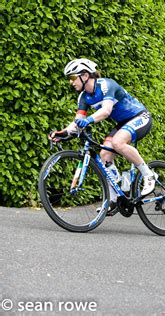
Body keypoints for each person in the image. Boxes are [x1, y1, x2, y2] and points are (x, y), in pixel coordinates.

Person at [49, 58, 156, 213]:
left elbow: (106, 111)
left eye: (72, 78)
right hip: (123, 123)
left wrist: (89, 120)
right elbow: (77, 122)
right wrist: (64, 132)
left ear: (85, 76)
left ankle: (149, 175)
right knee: (105, 154)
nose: (71, 82)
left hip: (140, 116)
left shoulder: (106, 85)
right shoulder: (84, 97)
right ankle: (114, 198)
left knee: (118, 142)